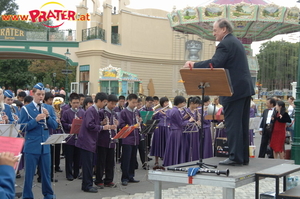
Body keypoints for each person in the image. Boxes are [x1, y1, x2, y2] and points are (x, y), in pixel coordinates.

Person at [183, 18, 254, 166]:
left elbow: (214, 64)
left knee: (233, 124)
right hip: (244, 89)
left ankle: (234, 157)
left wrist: (194, 64)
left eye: (215, 30)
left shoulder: (225, 44)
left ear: (224, 29)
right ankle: (242, 157)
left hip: (232, 90)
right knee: (241, 124)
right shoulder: (235, 42)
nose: (213, 33)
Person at [19, 82, 58, 199]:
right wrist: (35, 120)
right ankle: (27, 196)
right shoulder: (26, 109)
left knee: (46, 174)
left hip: (45, 145)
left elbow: (55, 126)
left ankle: (48, 195)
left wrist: (48, 117)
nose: (41, 97)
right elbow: (22, 127)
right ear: (33, 94)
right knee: (29, 175)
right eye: (39, 94)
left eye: (42, 94)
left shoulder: (49, 108)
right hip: (31, 145)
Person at [75, 92, 111, 193]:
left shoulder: (96, 110)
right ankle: (87, 185)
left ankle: (86, 184)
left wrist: (100, 123)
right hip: (86, 141)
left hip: (90, 141)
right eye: (104, 102)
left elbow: (92, 124)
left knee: (89, 163)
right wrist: (102, 127)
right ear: (98, 101)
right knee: (87, 165)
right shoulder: (91, 110)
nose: (104, 104)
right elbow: (89, 125)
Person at [95, 94, 118, 189]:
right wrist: (102, 123)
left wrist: (117, 124)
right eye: (111, 103)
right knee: (101, 162)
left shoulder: (114, 113)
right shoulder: (101, 112)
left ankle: (109, 180)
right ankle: (99, 180)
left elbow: (116, 126)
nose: (113, 106)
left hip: (111, 140)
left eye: (114, 104)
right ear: (107, 102)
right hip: (102, 140)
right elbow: (96, 125)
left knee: (110, 162)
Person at [118, 93, 141, 186]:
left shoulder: (136, 112)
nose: (135, 104)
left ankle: (131, 176)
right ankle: (124, 177)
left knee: (133, 158)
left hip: (135, 138)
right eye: (133, 102)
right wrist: (132, 126)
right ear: (128, 101)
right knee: (126, 159)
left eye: (136, 102)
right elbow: (121, 125)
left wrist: (140, 122)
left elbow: (138, 122)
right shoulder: (123, 112)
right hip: (127, 138)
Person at [163, 96, 192, 166]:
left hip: (174, 131)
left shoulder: (173, 110)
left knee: (173, 148)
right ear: (180, 103)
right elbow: (181, 124)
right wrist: (189, 120)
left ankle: (172, 161)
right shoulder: (176, 111)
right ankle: (176, 162)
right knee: (177, 148)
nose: (184, 105)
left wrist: (185, 117)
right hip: (177, 132)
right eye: (184, 103)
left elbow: (177, 120)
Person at [61, 93, 84, 181]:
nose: (76, 104)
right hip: (70, 138)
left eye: (77, 102)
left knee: (77, 157)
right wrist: (70, 125)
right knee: (69, 157)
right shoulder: (66, 112)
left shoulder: (82, 112)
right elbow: (63, 123)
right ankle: (69, 174)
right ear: (70, 103)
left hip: (79, 138)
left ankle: (76, 173)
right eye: (74, 103)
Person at [150, 97, 170, 166]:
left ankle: (165, 160)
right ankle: (156, 161)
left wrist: (165, 114)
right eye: (165, 102)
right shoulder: (158, 110)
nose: (166, 103)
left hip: (167, 128)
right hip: (159, 128)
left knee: (166, 144)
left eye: (167, 102)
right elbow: (154, 118)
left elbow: (171, 118)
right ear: (162, 103)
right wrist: (154, 114)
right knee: (158, 144)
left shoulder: (170, 111)